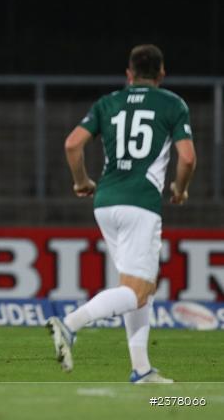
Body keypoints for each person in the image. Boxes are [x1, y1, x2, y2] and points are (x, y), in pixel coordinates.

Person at [48, 44, 196, 384]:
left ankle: (141, 369)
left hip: (106, 201)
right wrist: (179, 188)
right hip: (140, 202)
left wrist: (82, 181)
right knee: (139, 289)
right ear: (162, 73)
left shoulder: (108, 103)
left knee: (137, 285)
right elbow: (187, 158)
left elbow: (72, 144)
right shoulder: (172, 104)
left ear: (129, 75)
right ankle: (69, 325)